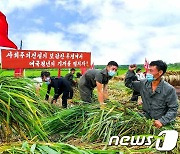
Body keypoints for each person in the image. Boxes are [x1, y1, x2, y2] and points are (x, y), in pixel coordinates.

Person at [125, 60, 178, 128]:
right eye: (148, 70)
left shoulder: (169, 89)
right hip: (146, 119)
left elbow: (173, 109)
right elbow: (128, 84)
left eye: (151, 71)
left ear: (160, 72)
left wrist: (162, 121)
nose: (148, 73)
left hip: (161, 122)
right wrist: (130, 71)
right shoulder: (143, 84)